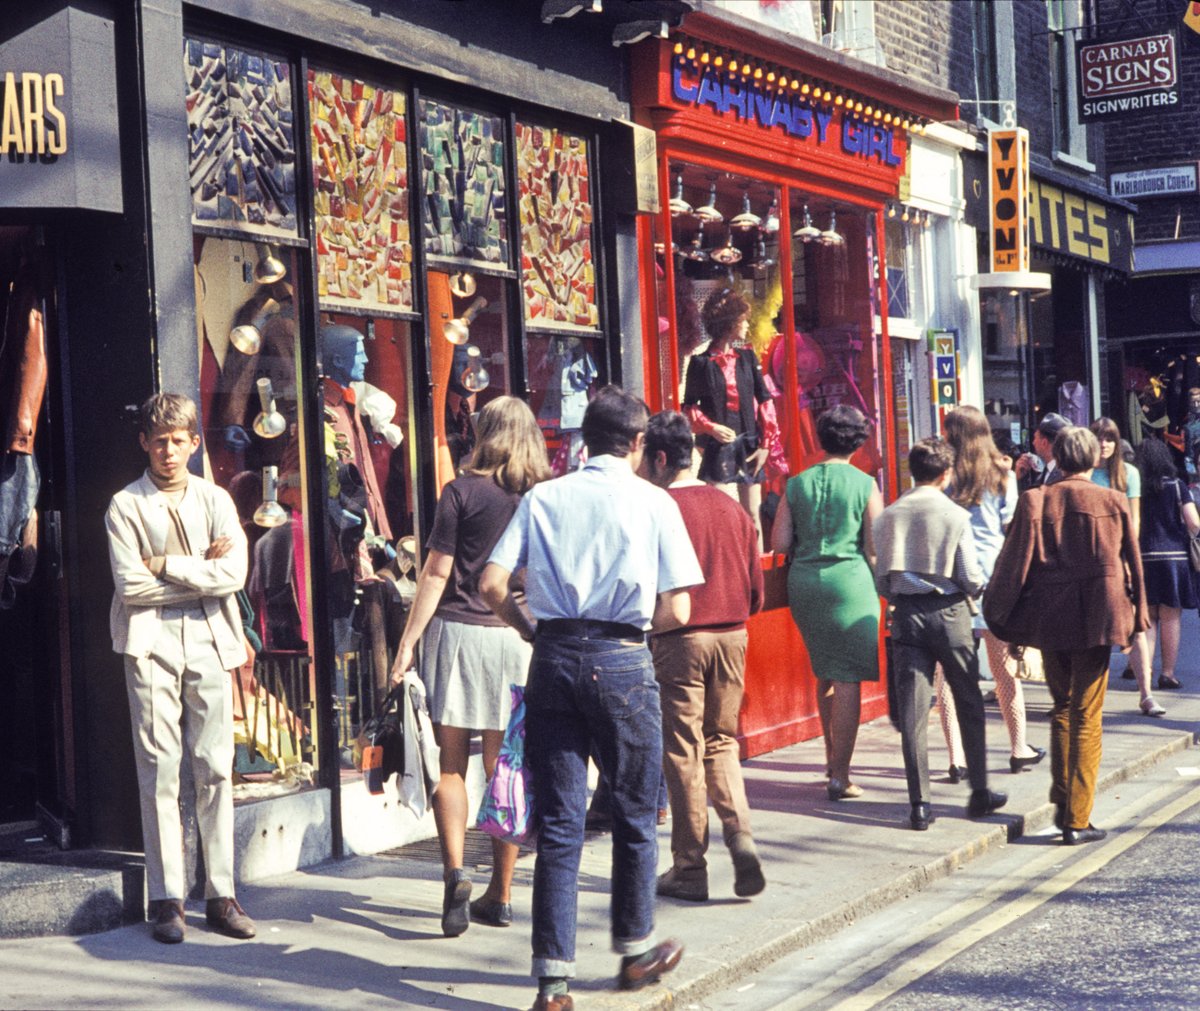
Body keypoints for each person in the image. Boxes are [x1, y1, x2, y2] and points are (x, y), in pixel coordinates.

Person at [480, 386, 703, 1011]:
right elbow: (680, 608)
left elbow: (492, 583)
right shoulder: (655, 502)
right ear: (638, 443)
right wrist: (630, 635)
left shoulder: (544, 496)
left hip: (552, 656)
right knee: (634, 813)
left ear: (583, 439)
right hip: (622, 658)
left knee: (559, 824)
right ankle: (634, 952)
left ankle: (553, 985)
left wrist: (532, 630)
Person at [390, 396, 549, 937]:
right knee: (506, 769)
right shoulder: (541, 495)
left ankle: (455, 872)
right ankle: (500, 895)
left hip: (456, 636)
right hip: (515, 636)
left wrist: (407, 643)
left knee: (451, 766)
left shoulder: (459, 492)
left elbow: (436, 574)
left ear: (484, 434)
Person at [104, 393, 256, 944]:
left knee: (214, 766)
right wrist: (200, 574)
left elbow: (234, 574)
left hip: (210, 639)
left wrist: (166, 564)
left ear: (194, 443)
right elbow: (131, 587)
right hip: (150, 642)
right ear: (144, 442)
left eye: (178, 441)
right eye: (159, 441)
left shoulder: (215, 499)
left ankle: (221, 893)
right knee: (160, 768)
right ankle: (168, 897)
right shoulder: (125, 506)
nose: (168, 451)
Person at [985, 427, 1148, 845]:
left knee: (1061, 707)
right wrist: (1138, 617)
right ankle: (1078, 818)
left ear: (1057, 457)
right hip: (1098, 614)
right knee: (1087, 715)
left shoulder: (1035, 499)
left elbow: (1013, 566)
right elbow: (1133, 562)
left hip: (1050, 616)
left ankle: (1064, 802)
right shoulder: (1112, 500)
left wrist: (1006, 619)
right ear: (1093, 459)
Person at [639, 410, 765, 902]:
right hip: (733, 634)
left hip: (680, 639)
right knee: (721, 742)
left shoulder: (656, 508)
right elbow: (755, 589)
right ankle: (741, 835)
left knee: (683, 750)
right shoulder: (730, 507)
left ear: (659, 458)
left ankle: (690, 867)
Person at [872, 438, 1007, 831]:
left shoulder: (889, 516)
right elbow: (971, 576)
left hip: (906, 614)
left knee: (913, 713)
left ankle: (919, 804)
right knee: (968, 703)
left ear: (912, 471)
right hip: (949, 613)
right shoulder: (955, 516)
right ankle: (979, 792)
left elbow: (881, 576)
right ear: (946, 474)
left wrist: (900, 593)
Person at [770, 404, 883, 801]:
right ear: (858, 441)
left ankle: (832, 759)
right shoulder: (865, 484)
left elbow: (779, 543)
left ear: (821, 438)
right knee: (848, 677)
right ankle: (841, 775)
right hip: (850, 583)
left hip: (805, 585)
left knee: (825, 671)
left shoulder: (797, 484)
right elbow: (874, 548)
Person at [935, 406, 1045, 776]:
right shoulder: (1003, 473)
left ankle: (956, 758)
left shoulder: (945, 475)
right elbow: (1011, 529)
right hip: (994, 580)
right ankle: (1018, 748)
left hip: (952, 580)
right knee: (1004, 671)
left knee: (948, 673)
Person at [683, 287, 771, 548]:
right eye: (743, 320)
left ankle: (756, 567)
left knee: (752, 514)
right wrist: (710, 428)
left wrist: (766, 445)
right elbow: (689, 406)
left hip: (749, 443)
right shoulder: (700, 363)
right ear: (730, 324)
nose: (747, 325)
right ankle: (727, 562)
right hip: (719, 445)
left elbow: (765, 400)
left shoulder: (747, 357)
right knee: (720, 514)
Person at [1091, 418, 1159, 714]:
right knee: (1094, 629)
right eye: (1099, 438)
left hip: (1120, 558)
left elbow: (1134, 520)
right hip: (1089, 559)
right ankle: (1090, 698)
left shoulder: (1128, 473)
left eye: (1109, 438)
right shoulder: (1084, 472)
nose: (1104, 444)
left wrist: (1129, 559)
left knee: (1135, 626)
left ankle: (1146, 694)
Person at [1129, 437, 1200, 698]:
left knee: (1147, 619)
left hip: (1143, 558)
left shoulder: (1135, 488)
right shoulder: (1177, 486)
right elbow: (1194, 523)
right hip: (1174, 559)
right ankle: (1168, 673)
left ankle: (1145, 675)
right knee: (1171, 617)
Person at [1014, 412, 1070, 493]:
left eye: (1035, 438)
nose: (1033, 443)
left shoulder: (1064, 474)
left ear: (1044, 443)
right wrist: (1017, 477)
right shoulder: (1046, 471)